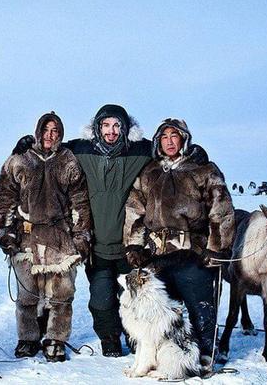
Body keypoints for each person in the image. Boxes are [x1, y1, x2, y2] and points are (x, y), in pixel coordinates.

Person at [123, 118, 235, 374]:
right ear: (158, 141)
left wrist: (217, 249)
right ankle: (167, 357)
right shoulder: (149, 172)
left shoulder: (204, 170)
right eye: (164, 137)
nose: (170, 141)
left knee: (199, 308)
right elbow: (134, 210)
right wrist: (134, 245)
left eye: (175, 136)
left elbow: (222, 211)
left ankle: (206, 354)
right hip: (157, 255)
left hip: (193, 253)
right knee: (164, 314)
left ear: (184, 139)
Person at [0, 111, 92, 362]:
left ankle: (56, 339)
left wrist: (81, 237)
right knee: (28, 294)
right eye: (46, 131)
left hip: (60, 237)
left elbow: (80, 202)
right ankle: (28, 338)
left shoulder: (69, 161)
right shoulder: (19, 159)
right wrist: (4, 231)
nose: (50, 135)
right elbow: (3, 197)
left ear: (61, 134)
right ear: (38, 132)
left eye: (55, 131)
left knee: (61, 293)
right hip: (26, 237)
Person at [63, 104, 153, 357]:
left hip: (130, 247)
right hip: (98, 248)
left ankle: (136, 338)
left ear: (126, 129)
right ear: (97, 128)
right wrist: (24, 146)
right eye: (106, 125)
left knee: (134, 298)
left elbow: (174, 149)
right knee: (101, 301)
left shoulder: (142, 151)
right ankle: (110, 339)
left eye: (117, 126)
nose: (111, 131)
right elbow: (49, 149)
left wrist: (197, 151)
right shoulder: (81, 150)